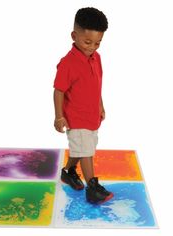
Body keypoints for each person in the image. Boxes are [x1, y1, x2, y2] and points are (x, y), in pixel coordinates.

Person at [53, 7, 113, 204]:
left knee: (82, 148)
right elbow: (59, 90)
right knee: (86, 151)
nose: (92, 47)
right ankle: (92, 187)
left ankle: (68, 172)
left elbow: (97, 85)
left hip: (91, 116)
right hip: (76, 118)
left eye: (98, 43)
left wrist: (100, 105)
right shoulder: (67, 63)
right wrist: (59, 116)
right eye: (87, 42)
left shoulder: (97, 58)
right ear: (74, 35)